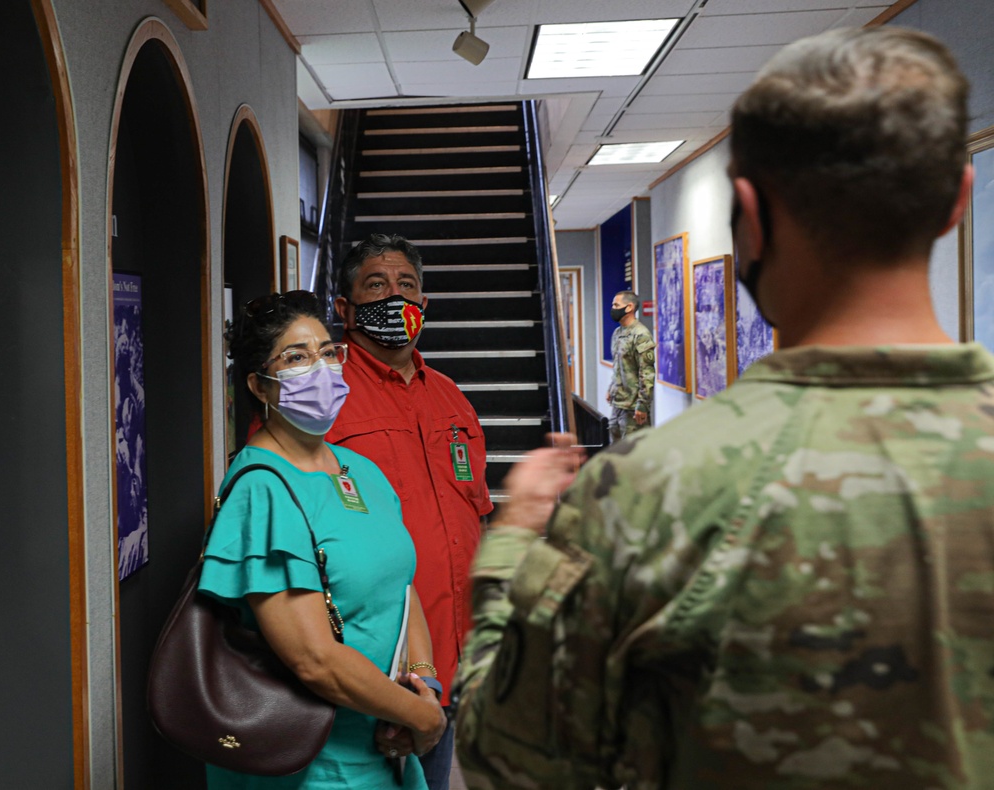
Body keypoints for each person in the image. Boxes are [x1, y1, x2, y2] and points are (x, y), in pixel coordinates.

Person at [454, 26, 994, 789]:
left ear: (751, 214)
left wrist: (510, 541)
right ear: (955, 204)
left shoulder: (648, 488)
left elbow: (505, 760)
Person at [200, 290, 445, 789]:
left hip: (385, 751)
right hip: (314, 763)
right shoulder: (262, 489)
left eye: (329, 351)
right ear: (260, 386)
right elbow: (315, 661)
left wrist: (424, 685)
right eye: (295, 357)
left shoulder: (363, 471)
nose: (320, 367)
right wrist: (424, 720)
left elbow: (401, 586)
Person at [325, 234, 492, 790]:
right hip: (369, 659)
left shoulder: (451, 397)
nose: (395, 298)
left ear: (424, 304)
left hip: (450, 653)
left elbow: (475, 512)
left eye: (407, 286)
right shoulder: (322, 398)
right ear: (344, 308)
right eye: (376, 285)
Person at [606, 290, 655, 441]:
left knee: (634, 454)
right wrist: (611, 389)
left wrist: (643, 404)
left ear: (629, 308)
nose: (613, 308)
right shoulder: (617, 333)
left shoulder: (640, 334)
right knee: (616, 452)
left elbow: (646, 372)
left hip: (633, 407)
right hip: (618, 403)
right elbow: (618, 366)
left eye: (616, 305)